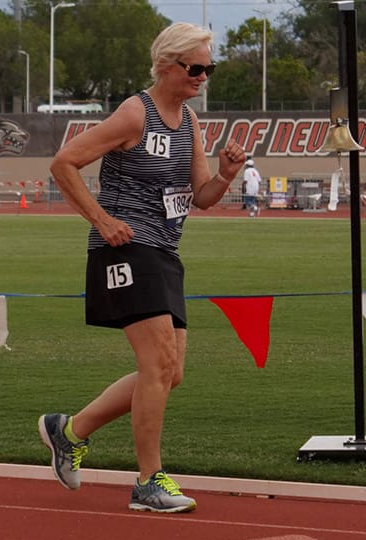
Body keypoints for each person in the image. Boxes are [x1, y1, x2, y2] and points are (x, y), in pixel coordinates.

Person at [40, 22, 246, 514]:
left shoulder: (191, 122)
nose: (202, 76)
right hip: (126, 249)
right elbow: (64, 163)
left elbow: (202, 198)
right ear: (166, 65)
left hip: (165, 252)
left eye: (208, 68)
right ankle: (149, 482)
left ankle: (69, 431)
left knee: (169, 372)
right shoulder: (135, 114)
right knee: (158, 365)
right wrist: (101, 219)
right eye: (195, 68)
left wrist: (225, 174)